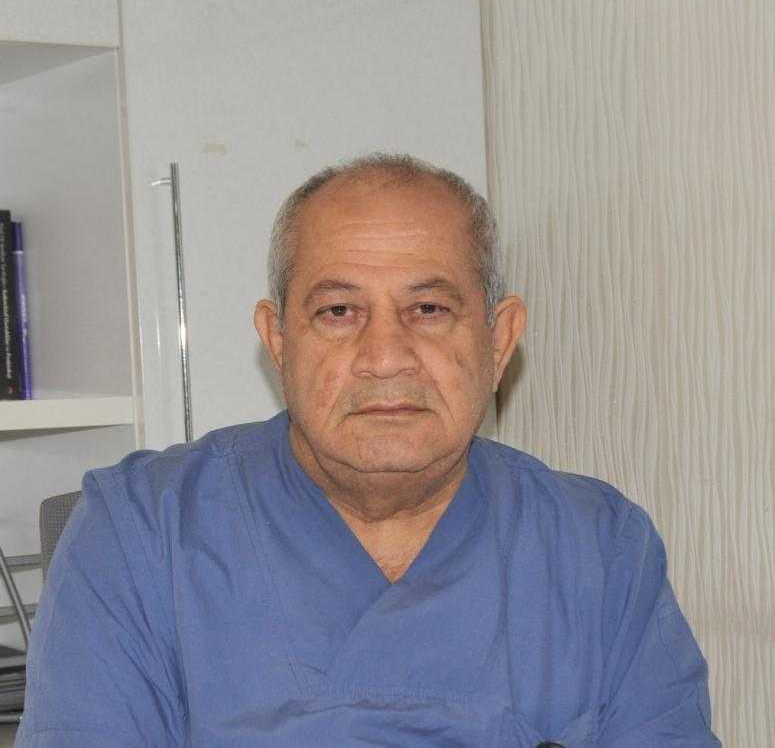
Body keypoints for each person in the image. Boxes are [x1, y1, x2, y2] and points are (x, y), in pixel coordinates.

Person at [16, 154, 720, 747]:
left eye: (428, 309)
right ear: (279, 341)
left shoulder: (598, 548)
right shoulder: (140, 533)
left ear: (499, 339)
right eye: (338, 311)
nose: (385, 356)